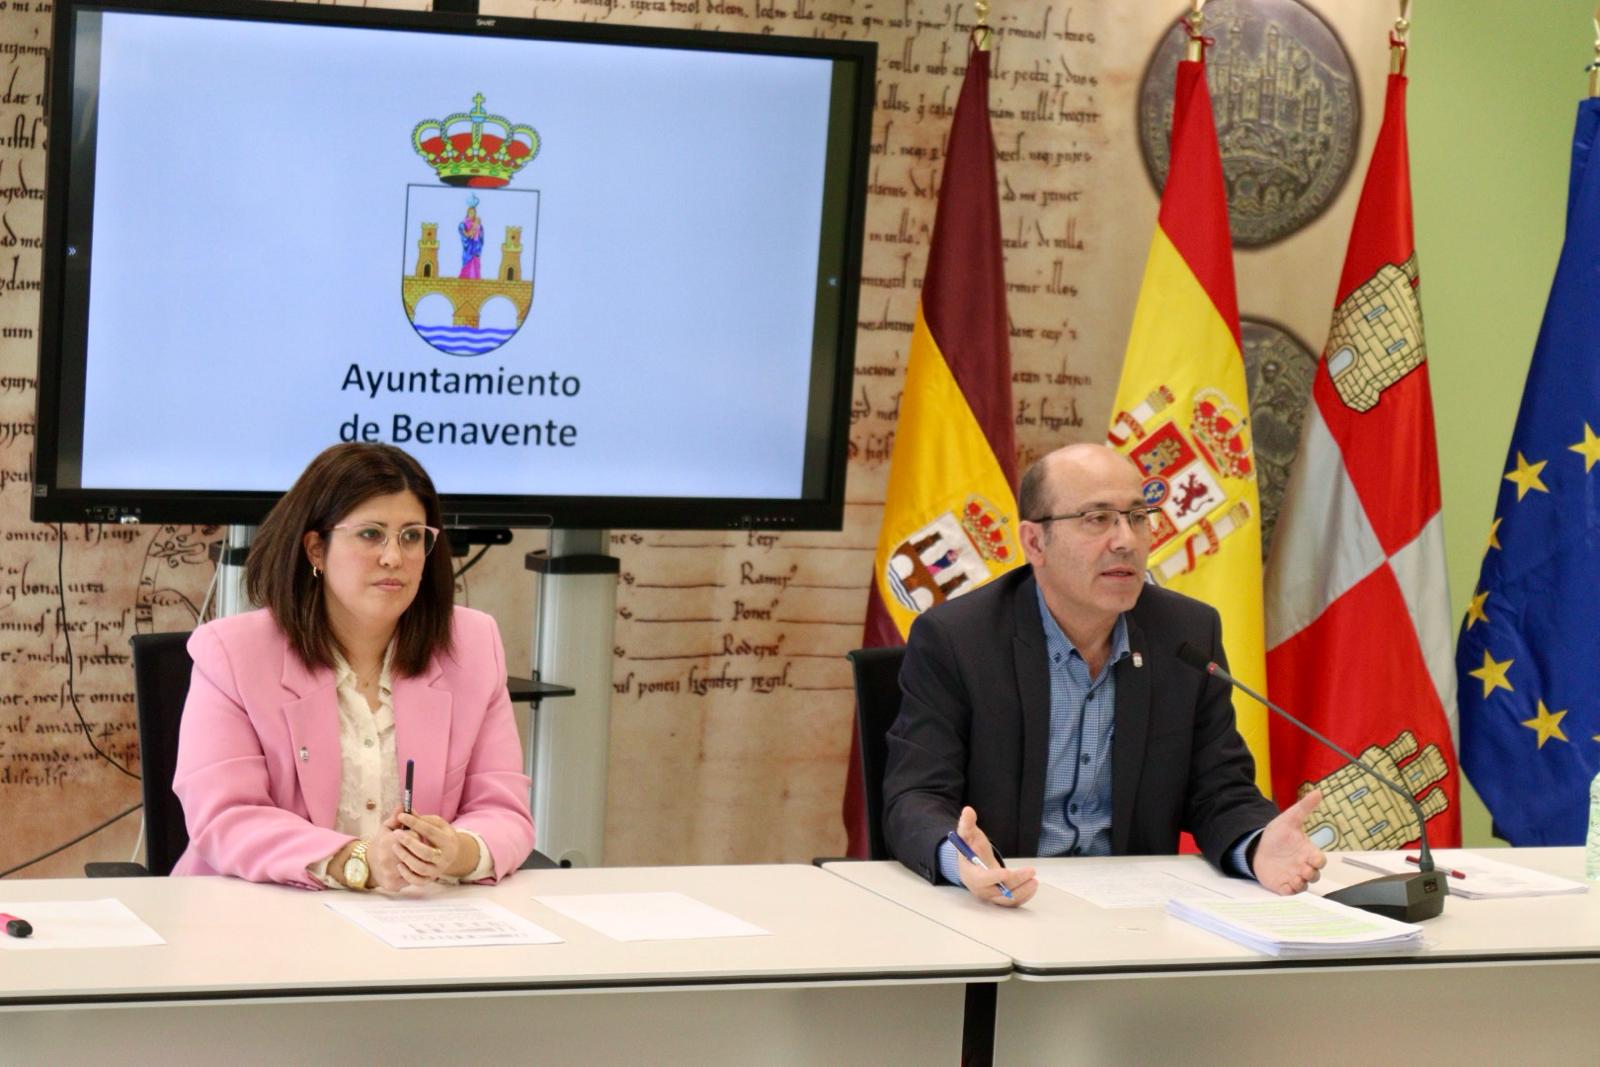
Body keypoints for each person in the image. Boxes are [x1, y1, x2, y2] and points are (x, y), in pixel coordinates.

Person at [882, 443, 1326, 907]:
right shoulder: (958, 640)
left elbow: (1220, 789)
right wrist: (962, 861)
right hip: (1003, 904)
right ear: (1034, 542)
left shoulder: (1186, 635)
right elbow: (916, 795)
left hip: (1133, 916)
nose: (1126, 540)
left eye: (1138, 517)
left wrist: (1256, 844)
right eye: (1097, 519)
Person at [171, 443, 535, 889]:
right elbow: (225, 819)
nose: (393, 558)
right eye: (370, 534)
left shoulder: (473, 646)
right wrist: (359, 861)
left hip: (419, 922)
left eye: (411, 536)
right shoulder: (232, 653)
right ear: (316, 550)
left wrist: (457, 851)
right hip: (260, 917)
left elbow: (504, 811)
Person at [458, 199, 484, 279]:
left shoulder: (479, 225)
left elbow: (481, 237)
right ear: (468, 213)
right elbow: (465, 234)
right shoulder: (463, 224)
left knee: (475, 266)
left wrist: (478, 229)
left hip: (475, 250)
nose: (472, 215)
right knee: (467, 266)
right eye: (471, 213)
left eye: (474, 213)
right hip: (468, 250)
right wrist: (471, 231)